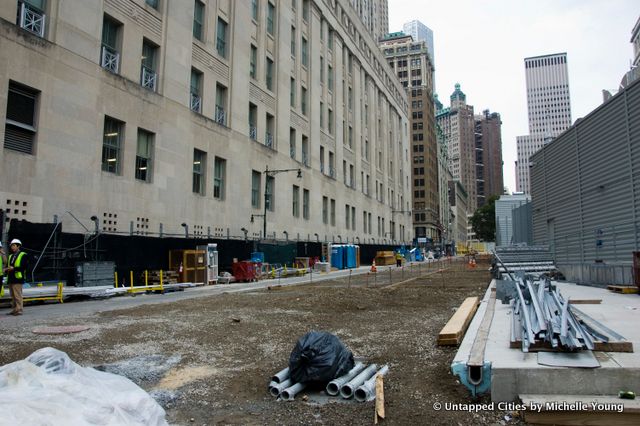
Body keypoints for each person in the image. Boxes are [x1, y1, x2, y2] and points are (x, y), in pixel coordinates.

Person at [4, 239, 27, 316]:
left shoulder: (23, 255)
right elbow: (8, 266)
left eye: (14, 245)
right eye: (11, 246)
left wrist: (13, 268)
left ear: (18, 246)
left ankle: (19, 309)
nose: (12, 247)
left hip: (18, 278)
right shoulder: (11, 256)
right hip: (11, 278)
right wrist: (6, 269)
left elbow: (24, 267)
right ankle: (15, 309)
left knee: (17, 295)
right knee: (13, 295)